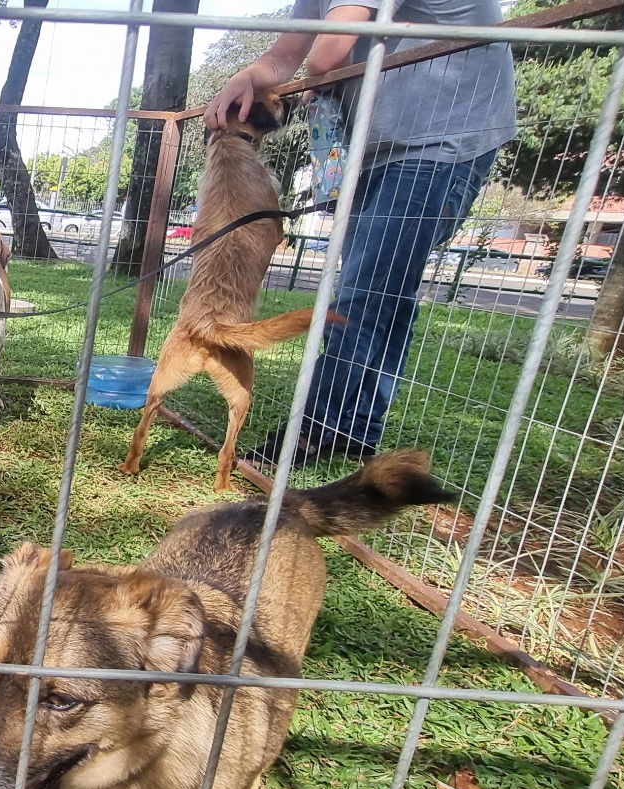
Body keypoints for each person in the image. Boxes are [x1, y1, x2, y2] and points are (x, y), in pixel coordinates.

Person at [208, 0, 515, 465]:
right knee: (378, 290)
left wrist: (312, 81)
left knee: (365, 288)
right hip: (372, 148)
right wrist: (250, 75)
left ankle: (316, 431)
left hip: (438, 143)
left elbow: (325, 56)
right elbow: (282, 59)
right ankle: (352, 430)